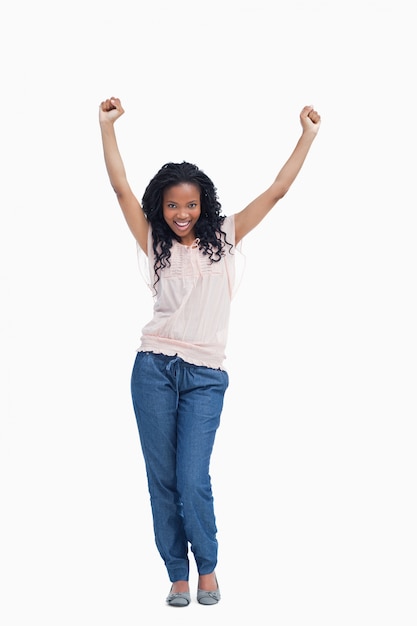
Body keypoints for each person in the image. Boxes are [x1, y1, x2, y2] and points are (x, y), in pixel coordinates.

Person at [98, 97, 321, 607]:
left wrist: (306, 135)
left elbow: (280, 191)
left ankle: (209, 566)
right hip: (153, 369)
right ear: (161, 206)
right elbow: (119, 187)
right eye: (173, 205)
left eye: (191, 204)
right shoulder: (154, 239)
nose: (181, 214)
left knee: (191, 476)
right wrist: (107, 127)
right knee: (161, 479)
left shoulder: (226, 235)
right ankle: (177, 572)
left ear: (205, 205)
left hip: (204, 377)